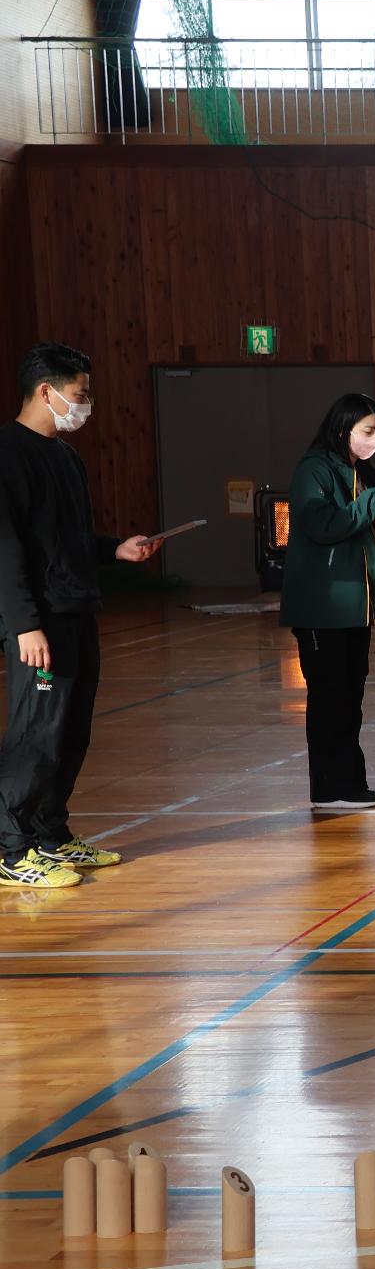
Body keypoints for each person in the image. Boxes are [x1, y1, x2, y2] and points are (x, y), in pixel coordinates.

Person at [0, 343, 159, 886]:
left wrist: (115, 548)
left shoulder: (66, 459)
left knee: (72, 731)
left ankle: (51, 834)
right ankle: (10, 847)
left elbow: (65, 541)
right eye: (79, 394)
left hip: (76, 610)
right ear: (46, 391)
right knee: (36, 733)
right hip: (37, 623)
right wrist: (23, 623)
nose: (85, 404)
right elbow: (6, 549)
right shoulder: (6, 454)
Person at [280, 392, 375, 810]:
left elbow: (371, 534)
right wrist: (373, 502)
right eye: (368, 431)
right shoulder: (313, 471)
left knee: (350, 700)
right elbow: (324, 525)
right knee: (329, 698)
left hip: (357, 607)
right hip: (323, 606)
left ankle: (350, 783)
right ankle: (329, 788)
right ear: (343, 430)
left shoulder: (365, 474)